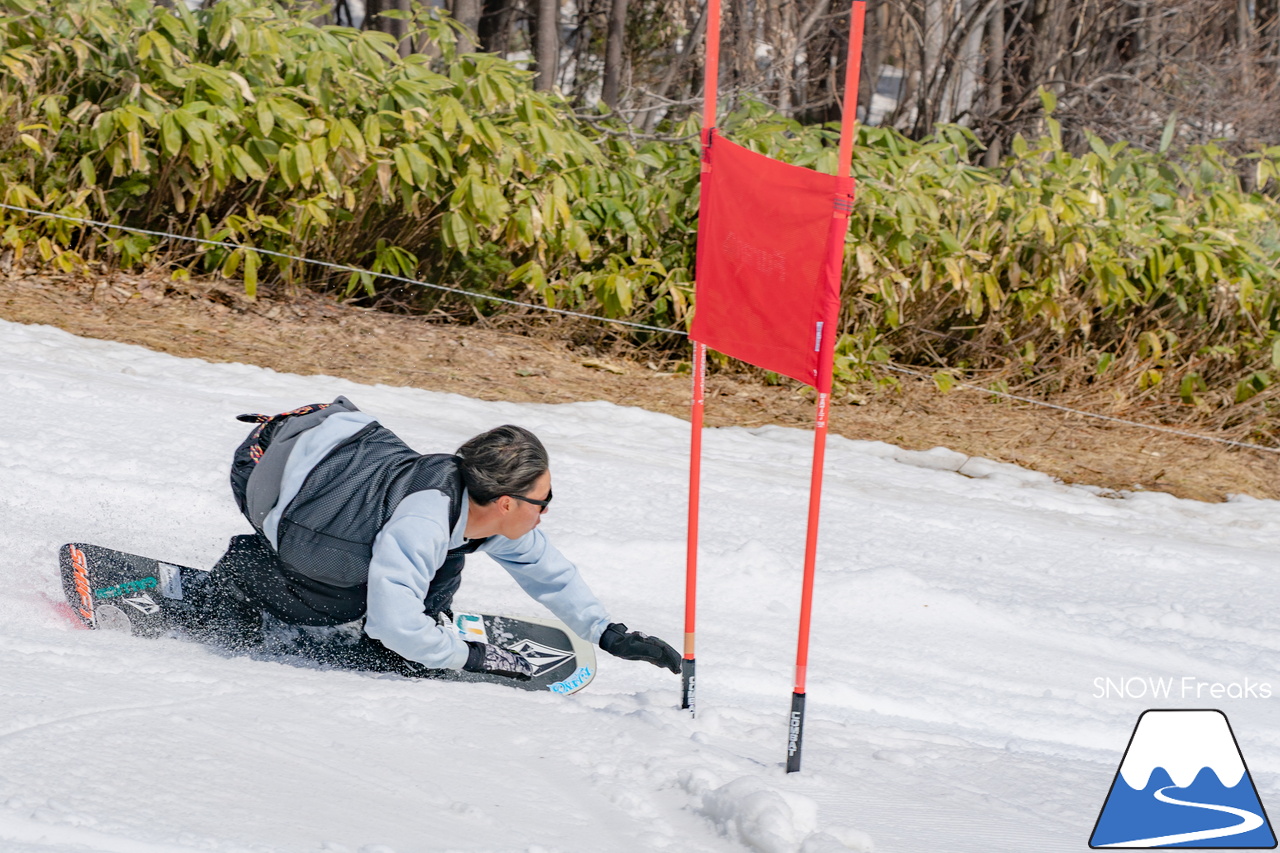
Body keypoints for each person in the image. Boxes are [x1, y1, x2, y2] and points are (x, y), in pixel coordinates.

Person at [191, 396, 681, 682]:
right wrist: (469, 656)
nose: (547, 512)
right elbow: (391, 619)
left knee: (445, 561)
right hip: (270, 471)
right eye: (542, 501)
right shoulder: (424, 520)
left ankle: (408, 630)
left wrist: (608, 634)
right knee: (342, 593)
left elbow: (546, 572)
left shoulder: (478, 507)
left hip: (331, 445)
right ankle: (241, 577)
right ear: (506, 502)